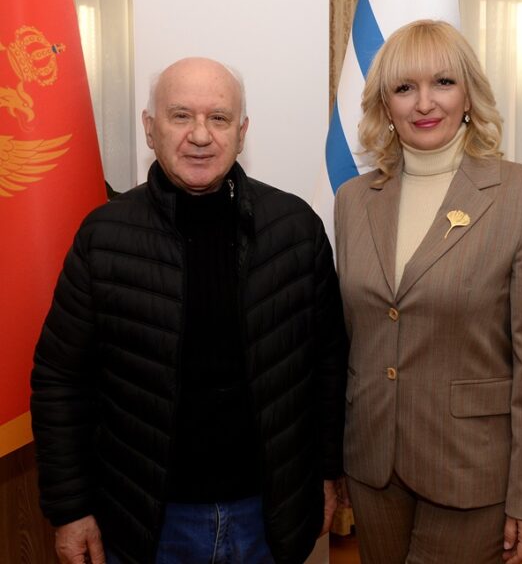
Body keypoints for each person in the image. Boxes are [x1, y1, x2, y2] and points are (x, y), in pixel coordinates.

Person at [31, 57, 348, 564]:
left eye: (218, 118)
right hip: (143, 523)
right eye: (181, 115)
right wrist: (70, 509)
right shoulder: (103, 237)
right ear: (149, 128)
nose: (200, 135)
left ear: (241, 133)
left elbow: (328, 366)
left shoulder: (296, 230)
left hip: (266, 518)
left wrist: (328, 476)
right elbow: (60, 381)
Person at [334, 20, 522, 564]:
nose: (424, 103)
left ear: (468, 94)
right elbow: (353, 337)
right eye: (404, 87)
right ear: (385, 104)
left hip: (473, 469)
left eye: (442, 82)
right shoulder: (353, 199)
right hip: (372, 466)